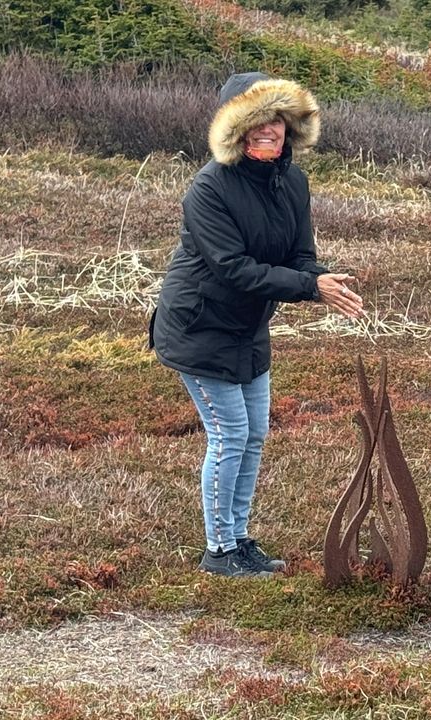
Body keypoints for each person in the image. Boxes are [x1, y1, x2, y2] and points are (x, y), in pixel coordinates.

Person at [150, 72, 364, 578]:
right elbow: (233, 268)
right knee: (229, 435)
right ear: (236, 130)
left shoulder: (292, 181)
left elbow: (299, 255)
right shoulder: (208, 188)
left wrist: (322, 278)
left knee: (254, 434)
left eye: (277, 121)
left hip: (248, 326)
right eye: (256, 122)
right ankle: (219, 551)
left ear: (289, 126)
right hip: (199, 326)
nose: (269, 130)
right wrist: (310, 288)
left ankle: (239, 540)